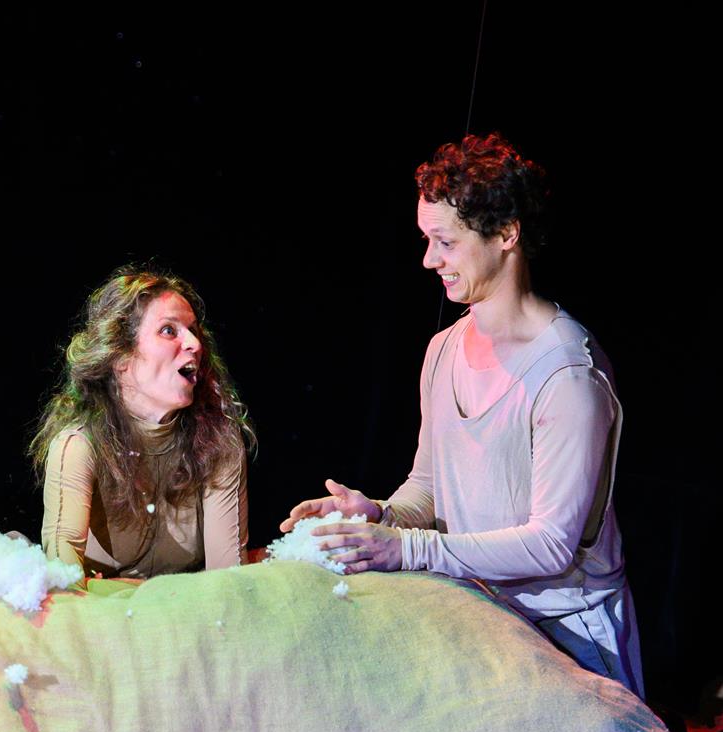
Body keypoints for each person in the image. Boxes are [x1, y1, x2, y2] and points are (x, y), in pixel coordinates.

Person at [281, 133, 642, 697]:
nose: (429, 260)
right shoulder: (443, 349)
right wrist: (379, 514)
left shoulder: (569, 376)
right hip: (481, 614)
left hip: (568, 636)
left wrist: (406, 549)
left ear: (506, 234)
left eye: (445, 242)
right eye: (427, 240)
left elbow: (551, 544)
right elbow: (430, 487)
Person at [33, 266, 253, 579]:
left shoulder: (218, 442)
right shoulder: (78, 446)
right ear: (120, 358)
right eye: (169, 331)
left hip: (182, 603)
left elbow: (227, 577)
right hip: (101, 605)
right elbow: (63, 582)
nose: (194, 343)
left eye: (193, 330)